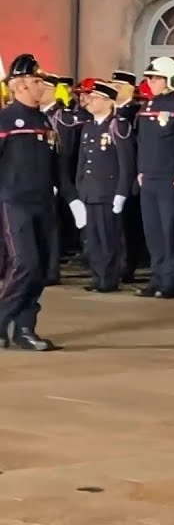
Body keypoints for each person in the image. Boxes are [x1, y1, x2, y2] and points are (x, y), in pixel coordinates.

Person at [0, 54, 60, 350]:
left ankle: (24, 328)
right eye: (37, 82)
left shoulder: (44, 119)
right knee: (25, 263)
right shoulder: (6, 119)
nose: (43, 87)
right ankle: (2, 317)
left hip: (43, 202)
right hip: (14, 201)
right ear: (20, 86)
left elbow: (54, 164)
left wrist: (69, 198)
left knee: (41, 268)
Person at [135, 57, 174, 298]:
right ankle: (157, 277)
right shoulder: (147, 108)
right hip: (150, 178)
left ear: (170, 79)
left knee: (170, 230)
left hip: (171, 179)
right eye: (149, 78)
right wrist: (141, 171)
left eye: (155, 78)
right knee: (153, 231)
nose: (150, 82)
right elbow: (141, 143)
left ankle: (171, 280)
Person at [73, 79, 136, 293]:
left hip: (109, 191)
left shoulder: (117, 125)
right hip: (91, 191)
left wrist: (122, 192)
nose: (89, 101)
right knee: (93, 237)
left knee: (109, 237)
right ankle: (98, 275)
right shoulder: (89, 126)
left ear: (107, 101)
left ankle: (109, 278)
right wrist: (80, 188)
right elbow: (83, 161)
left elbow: (126, 162)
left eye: (95, 97)